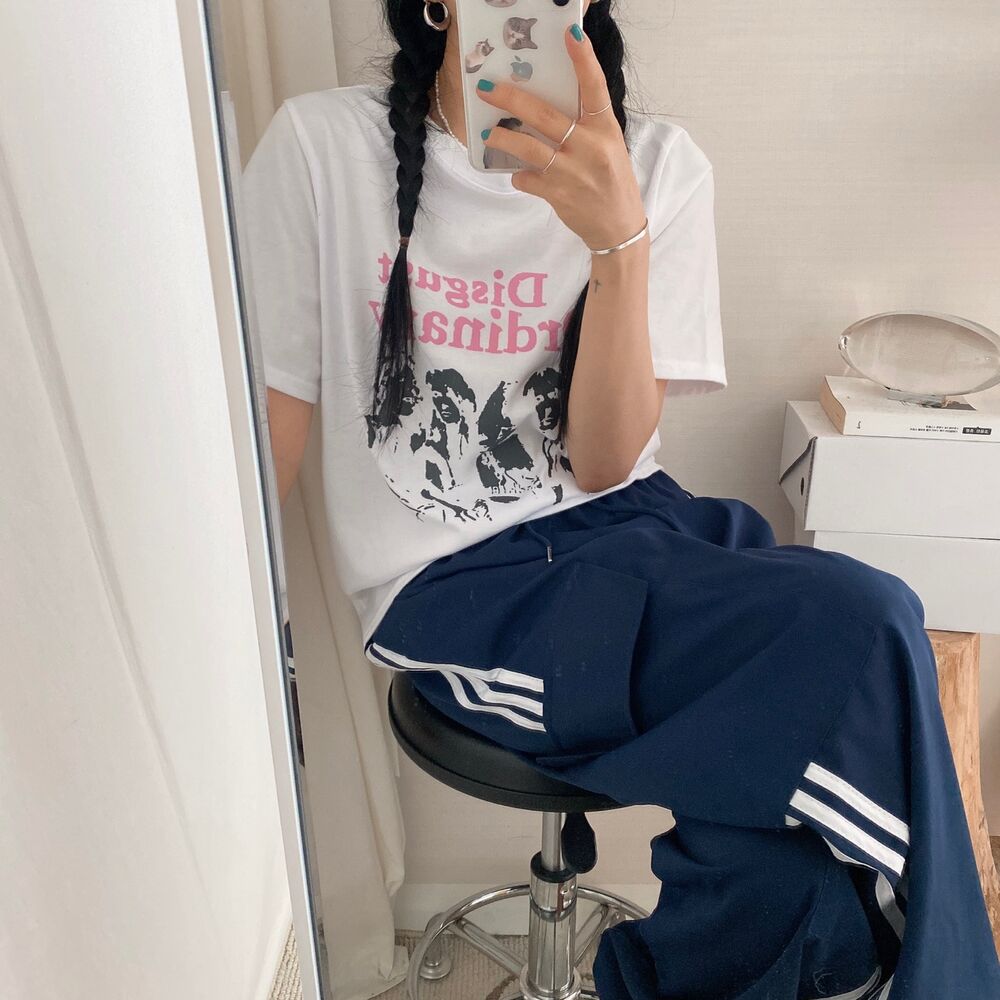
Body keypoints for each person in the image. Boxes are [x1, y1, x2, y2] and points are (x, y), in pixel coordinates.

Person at [240, 2, 1000, 997]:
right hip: (458, 590)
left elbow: (604, 464)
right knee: (868, 619)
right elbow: (260, 449)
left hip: (634, 530)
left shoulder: (659, 163)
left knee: (797, 874)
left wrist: (617, 241)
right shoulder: (319, 149)